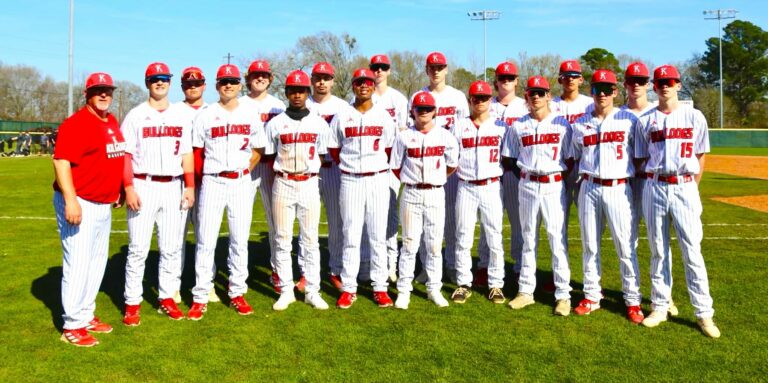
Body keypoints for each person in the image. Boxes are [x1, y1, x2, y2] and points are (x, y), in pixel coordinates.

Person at [634, 64, 720, 338]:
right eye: (660, 82)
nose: (665, 86)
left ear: (679, 85)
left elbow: (700, 157)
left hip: (684, 185)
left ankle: (704, 313)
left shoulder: (694, 117)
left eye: (670, 81)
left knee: (692, 251)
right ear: (654, 87)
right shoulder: (645, 121)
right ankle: (659, 306)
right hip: (655, 186)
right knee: (658, 250)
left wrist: (690, 187)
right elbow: (639, 158)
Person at [187, 64, 266, 320]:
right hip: (213, 181)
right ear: (217, 85)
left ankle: (236, 292)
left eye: (232, 81)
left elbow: (259, 148)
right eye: (223, 82)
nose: (228, 85)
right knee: (206, 240)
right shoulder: (206, 114)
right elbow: (196, 151)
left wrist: (245, 168)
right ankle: (200, 295)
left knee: (239, 239)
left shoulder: (250, 113)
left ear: (240, 85)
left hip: (241, 182)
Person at [53, 72, 126, 347]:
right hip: (80, 199)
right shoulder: (77, 123)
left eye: (108, 90)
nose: (104, 94)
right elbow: (61, 163)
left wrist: (117, 188)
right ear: (88, 94)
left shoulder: (110, 120)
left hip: (102, 201)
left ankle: (85, 314)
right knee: (79, 262)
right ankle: (72, 324)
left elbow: (112, 156)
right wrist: (71, 200)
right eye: (98, 90)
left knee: (96, 261)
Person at [121, 62, 195, 326]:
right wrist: (128, 187)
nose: (159, 82)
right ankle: (132, 302)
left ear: (170, 82)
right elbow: (126, 155)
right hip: (144, 184)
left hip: (174, 185)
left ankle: (166, 297)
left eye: (164, 78)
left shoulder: (181, 115)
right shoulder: (135, 115)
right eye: (154, 79)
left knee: (171, 248)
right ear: (147, 83)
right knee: (138, 249)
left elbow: (187, 153)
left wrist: (190, 185)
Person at [570, 69, 644, 324]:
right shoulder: (579, 123)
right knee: (590, 244)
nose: (601, 94)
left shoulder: (629, 120)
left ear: (615, 91)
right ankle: (591, 295)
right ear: (590, 91)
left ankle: (632, 299)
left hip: (618, 186)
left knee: (625, 245)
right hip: (589, 186)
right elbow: (574, 156)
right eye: (596, 89)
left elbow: (640, 157)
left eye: (607, 89)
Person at [503, 75, 574, 316]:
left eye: (540, 92)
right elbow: (510, 158)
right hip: (528, 184)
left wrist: (553, 176)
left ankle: (563, 295)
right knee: (528, 239)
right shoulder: (518, 125)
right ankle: (525, 291)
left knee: (557, 239)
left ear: (549, 96)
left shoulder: (562, 124)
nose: (536, 97)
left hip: (554, 184)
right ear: (526, 96)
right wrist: (527, 175)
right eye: (531, 93)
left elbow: (571, 158)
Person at [328, 68, 396, 309]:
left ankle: (380, 287)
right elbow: (334, 150)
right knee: (351, 235)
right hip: (350, 179)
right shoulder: (342, 115)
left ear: (373, 85)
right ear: (353, 86)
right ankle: (349, 287)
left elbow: (389, 150)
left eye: (368, 82)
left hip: (377, 178)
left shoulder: (384, 116)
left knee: (378, 236)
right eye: (359, 82)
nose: (364, 86)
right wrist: (351, 167)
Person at [266, 70, 331, 311]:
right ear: (286, 93)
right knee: (282, 239)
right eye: (292, 90)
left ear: (307, 92)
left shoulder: (319, 123)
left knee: (310, 239)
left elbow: (323, 155)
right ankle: (285, 290)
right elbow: (269, 153)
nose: (297, 94)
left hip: (309, 182)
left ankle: (312, 290)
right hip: (282, 182)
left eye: (301, 90)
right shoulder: (275, 124)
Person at [620, 62, 679, 318]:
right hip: (626, 183)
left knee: (661, 241)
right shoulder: (618, 114)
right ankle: (632, 295)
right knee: (628, 240)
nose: (636, 84)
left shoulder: (657, 113)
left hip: (653, 182)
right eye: (631, 80)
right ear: (625, 84)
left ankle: (665, 296)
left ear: (648, 84)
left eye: (641, 80)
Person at [390, 91, 459, 309]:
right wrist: (413, 181)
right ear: (413, 111)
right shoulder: (403, 136)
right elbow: (395, 166)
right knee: (409, 243)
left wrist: (436, 179)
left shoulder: (445, 136)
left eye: (428, 109)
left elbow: (452, 164)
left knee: (434, 244)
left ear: (435, 111)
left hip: (436, 192)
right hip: (411, 192)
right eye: (420, 109)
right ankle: (403, 290)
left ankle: (434, 288)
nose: (424, 112)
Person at [410, 51, 469, 283]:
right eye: (432, 67)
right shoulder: (418, 95)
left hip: (451, 167)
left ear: (446, 69)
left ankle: (453, 266)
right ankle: (427, 269)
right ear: (426, 70)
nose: (436, 71)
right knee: (426, 222)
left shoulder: (457, 97)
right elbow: (410, 129)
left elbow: (463, 129)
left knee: (453, 220)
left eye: (440, 67)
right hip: (425, 168)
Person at [450, 80, 507, 304]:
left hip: (492, 185)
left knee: (494, 236)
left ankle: (496, 284)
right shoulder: (458, 125)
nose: (480, 102)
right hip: (466, 185)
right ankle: (464, 283)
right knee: (463, 235)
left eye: (484, 98)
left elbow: (508, 157)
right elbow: (450, 157)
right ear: (469, 100)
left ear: (491, 100)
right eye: (476, 98)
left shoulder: (501, 126)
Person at [475, 61, 529, 287]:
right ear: (495, 81)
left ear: (517, 80)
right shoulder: (488, 104)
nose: (506, 81)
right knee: (489, 223)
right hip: (492, 171)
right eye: (502, 77)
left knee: (518, 224)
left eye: (510, 77)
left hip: (516, 172)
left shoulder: (525, 106)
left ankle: (518, 267)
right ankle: (484, 266)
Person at [240, 60, 286, 294]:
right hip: (245, 165)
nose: (260, 78)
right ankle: (238, 275)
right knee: (240, 221)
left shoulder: (278, 105)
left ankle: (278, 271)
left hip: (270, 165)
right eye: (256, 75)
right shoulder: (238, 104)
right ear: (248, 78)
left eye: (264, 75)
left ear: (270, 78)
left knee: (276, 223)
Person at [363, 53, 409, 283]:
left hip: (390, 165)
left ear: (389, 70)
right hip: (368, 164)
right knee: (366, 216)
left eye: (383, 67)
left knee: (390, 215)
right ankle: (367, 262)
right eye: (375, 67)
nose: (379, 71)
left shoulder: (398, 99)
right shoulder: (364, 97)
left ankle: (391, 264)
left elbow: (401, 135)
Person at [306, 62, 349, 291]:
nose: (322, 81)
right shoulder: (302, 103)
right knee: (307, 224)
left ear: (332, 80)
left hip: (333, 169)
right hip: (309, 172)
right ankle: (307, 272)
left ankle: (336, 269)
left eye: (326, 77)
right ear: (311, 80)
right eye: (318, 77)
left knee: (336, 221)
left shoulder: (343, 107)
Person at [175, 66, 213, 304]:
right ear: (182, 87)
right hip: (179, 180)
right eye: (188, 84)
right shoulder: (173, 110)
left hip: (208, 180)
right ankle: (173, 286)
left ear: (204, 85)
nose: (193, 87)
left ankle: (206, 285)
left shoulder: (214, 110)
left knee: (205, 237)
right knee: (176, 236)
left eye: (197, 83)